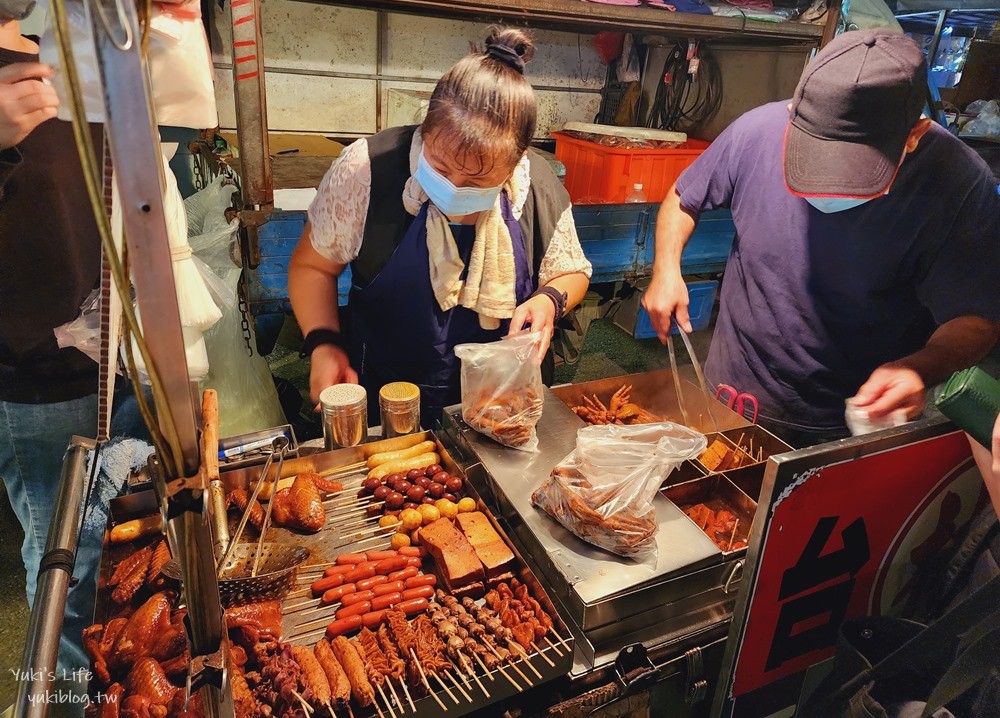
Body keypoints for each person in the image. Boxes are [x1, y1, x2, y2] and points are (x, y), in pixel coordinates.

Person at [642, 29, 1000, 447]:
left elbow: (977, 320)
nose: (826, 192)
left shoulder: (960, 185)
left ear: (914, 135)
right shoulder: (757, 132)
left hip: (851, 421)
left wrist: (918, 369)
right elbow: (685, 197)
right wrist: (666, 269)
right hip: (732, 393)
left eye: (854, 174)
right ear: (795, 113)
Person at [290, 28, 592, 425]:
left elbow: (572, 271)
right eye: (441, 167)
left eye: (477, 181)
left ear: (516, 163)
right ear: (424, 129)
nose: (453, 188)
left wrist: (550, 298)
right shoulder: (367, 171)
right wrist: (324, 343)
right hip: (387, 397)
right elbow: (312, 267)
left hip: (501, 407)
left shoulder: (534, 184)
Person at [0, 19, 143, 679]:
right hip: (36, 378)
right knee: (66, 561)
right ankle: (58, 696)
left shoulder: (73, 44)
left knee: (119, 548)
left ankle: (103, 685)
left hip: (114, 353)